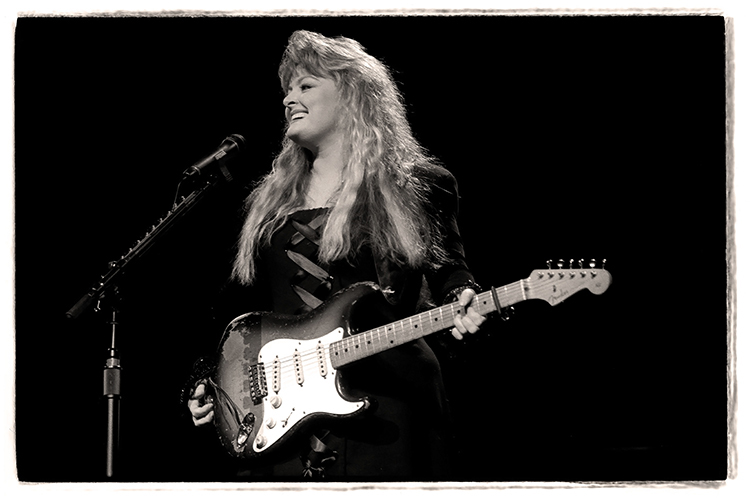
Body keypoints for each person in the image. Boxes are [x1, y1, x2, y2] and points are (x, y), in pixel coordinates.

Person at [184, 30, 486, 481]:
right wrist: (206, 378)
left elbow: (448, 268)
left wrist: (463, 295)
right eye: (287, 89)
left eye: (306, 85)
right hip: (283, 417)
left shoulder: (416, 184)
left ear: (352, 95)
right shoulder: (268, 204)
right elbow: (231, 309)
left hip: (388, 403)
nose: (289, 98)